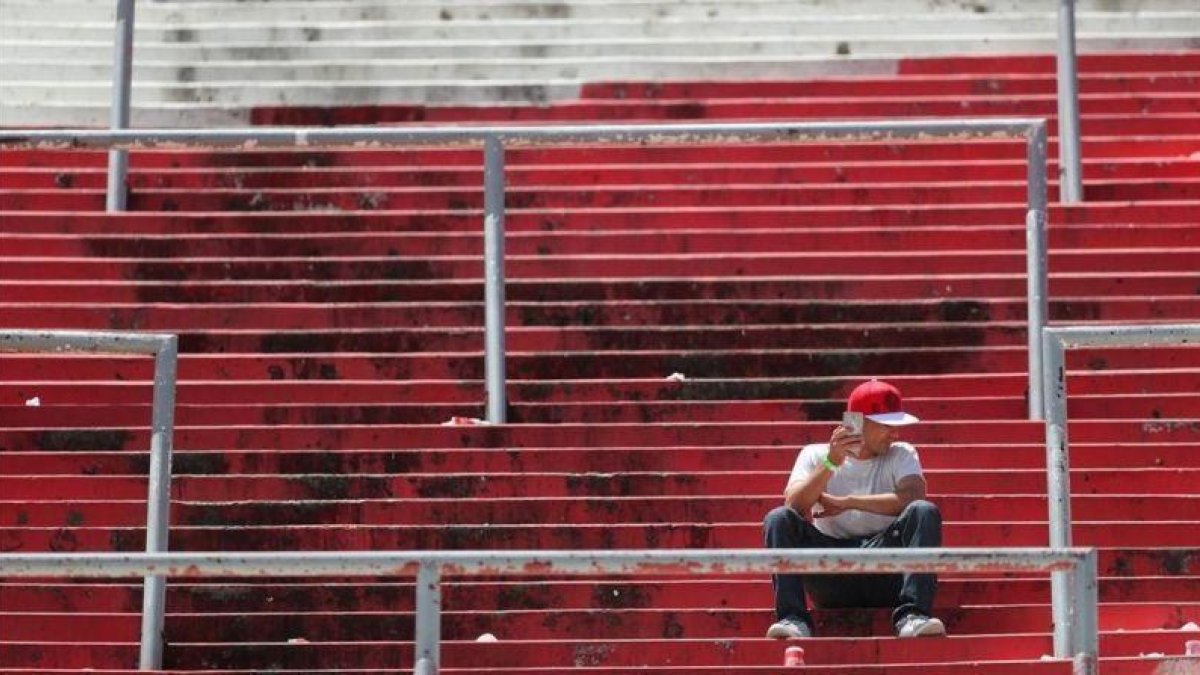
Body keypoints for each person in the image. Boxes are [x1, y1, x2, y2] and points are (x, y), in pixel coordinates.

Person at [763, 378, 945, 639]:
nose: (895, 434)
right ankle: (793, 620)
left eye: (897, 426)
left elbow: (913, 497)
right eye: (886, 426)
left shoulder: (902, 453)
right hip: (832, 573)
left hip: (885, 570)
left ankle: (913, 615)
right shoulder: (815, 455)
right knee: (778, 519)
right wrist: (831, 462)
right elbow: (793, 506)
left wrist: (847, 502)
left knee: (923, 511)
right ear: (856, 422)